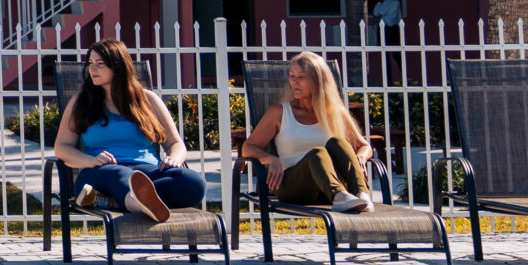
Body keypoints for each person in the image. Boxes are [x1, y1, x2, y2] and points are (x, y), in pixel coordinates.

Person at [50, 39, 205, 223]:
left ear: (118, 66)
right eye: (90, 63)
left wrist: (174, 159)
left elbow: (175, 143)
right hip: (101, 172)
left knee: (193, 182)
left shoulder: (148, 100)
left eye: (100, 64)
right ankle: (139, 202)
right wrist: (91, 161)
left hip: (147, 172)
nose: (92, 69)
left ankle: (116, 201)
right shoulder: (81, 102)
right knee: (120, 174)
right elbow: (62, 147)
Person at [237, 51, 373, 214]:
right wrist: (270, 158)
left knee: (338, 142)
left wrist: (361, 157)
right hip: (292, 187)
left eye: (301, 77)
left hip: (327, 188)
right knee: (318, 153)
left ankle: (362, 195)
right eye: (292, 76)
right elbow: (248, 147)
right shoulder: (280, 111)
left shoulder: (335, 112)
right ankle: (339, 196)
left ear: (318, 80)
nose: (294, 82)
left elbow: (364, 146)